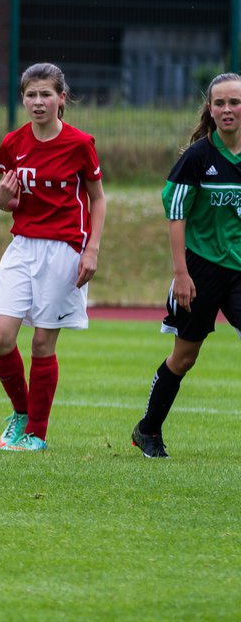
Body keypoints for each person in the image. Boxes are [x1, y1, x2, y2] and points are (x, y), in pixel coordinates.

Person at [0, 62, 106, 452]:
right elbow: (7, 199)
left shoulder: (79, 143)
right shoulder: (13, 143)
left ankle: (36, 433)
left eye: (46, 94)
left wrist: (91, 250)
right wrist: (2, 201)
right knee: (1, 338)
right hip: (22, 246)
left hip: (65, 251)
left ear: (61, 98)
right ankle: (21, 413)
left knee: (41, 344)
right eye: (31, 95)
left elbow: (98, 199)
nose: (38, 102)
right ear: (23, 98)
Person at [132, 72, 241, 459]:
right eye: (220, 103)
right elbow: (175, 213)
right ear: (209, 109)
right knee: (184, 357)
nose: (228, 109)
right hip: (200, 269)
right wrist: (181, 274)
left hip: (240, 271)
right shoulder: (198, 157)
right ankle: (148, 430)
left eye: (235, 102)